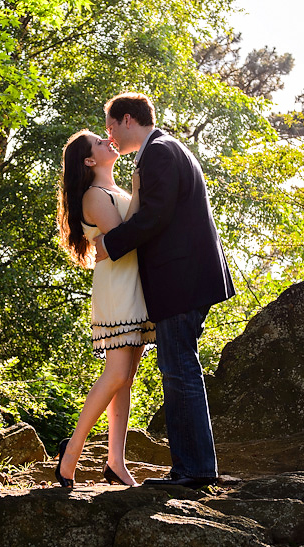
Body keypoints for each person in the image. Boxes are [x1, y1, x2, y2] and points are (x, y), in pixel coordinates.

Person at [94, 92, 235, 489]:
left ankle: (193, 471)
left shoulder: (158, 153)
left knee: (178, 370)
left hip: (181, 279)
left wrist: (110, 244)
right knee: (181, 368)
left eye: (110, 127)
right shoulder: (168, 148)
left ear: (126, 120)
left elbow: (154, 217)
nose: (111, 136)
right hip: (188, 278)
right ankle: (194, 467)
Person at [53, 129, 156, 488]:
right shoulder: (95, 195)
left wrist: (137, 190)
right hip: (117, 290)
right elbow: (124, 241)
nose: (107, 141)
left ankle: (115, 461)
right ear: (89, 161)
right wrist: (141, 192)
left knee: (125, 379)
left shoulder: (116, 192)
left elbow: (129, 231)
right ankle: (71, 454)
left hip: (135, 287)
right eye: (99, 142)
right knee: (115, 375)